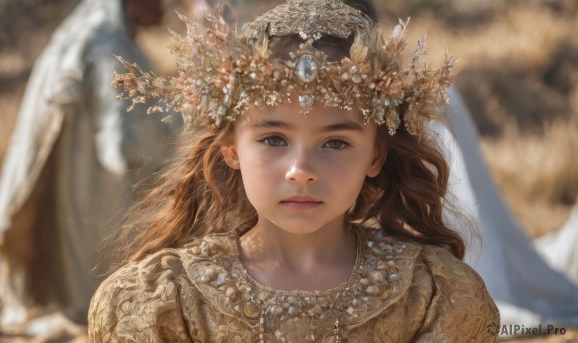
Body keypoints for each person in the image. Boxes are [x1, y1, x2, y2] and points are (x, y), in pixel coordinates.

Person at [88, 0, 499, 341]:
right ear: (231, 148)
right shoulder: (164, 301)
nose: (301, 171)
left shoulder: (433, 293)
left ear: (376, 156)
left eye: (336, 142)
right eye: (274, 140)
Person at [0, 0, 169, 336]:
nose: (163, 7)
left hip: (86, 179)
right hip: (96, 188)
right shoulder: (106, 44)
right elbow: (121, 144)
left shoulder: (93, 35)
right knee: (90, 279)